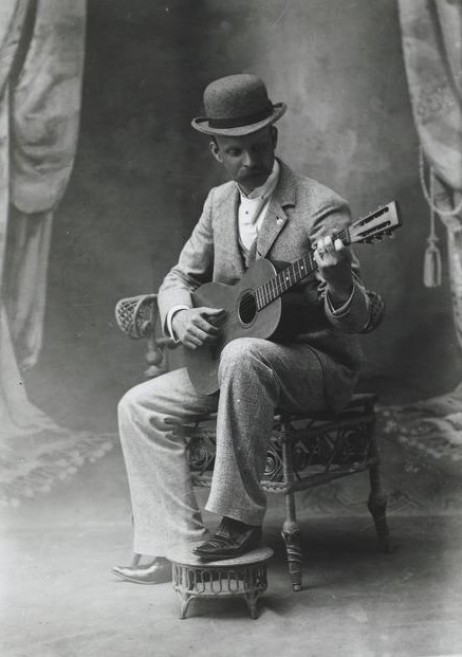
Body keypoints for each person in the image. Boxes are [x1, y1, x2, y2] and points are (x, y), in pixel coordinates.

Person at [113, 74, 372, 585]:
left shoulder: (320, 206)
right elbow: (178, 277)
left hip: (312, 366)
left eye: (258, 148)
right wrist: (180, 315)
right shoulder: (218, 204)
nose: (249, 163)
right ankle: (176, 545)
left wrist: (339, 280)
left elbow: (357, 316)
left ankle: (237, 521)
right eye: (235, 152)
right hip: (240, 364)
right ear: (216, 151)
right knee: (139, 405)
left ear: (274, 138)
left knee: (243, 356)